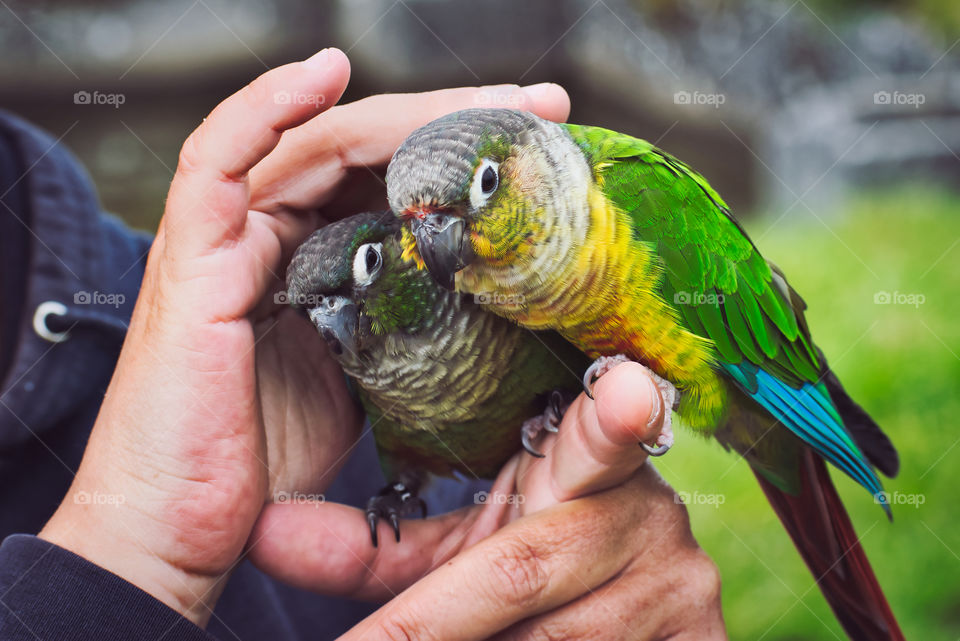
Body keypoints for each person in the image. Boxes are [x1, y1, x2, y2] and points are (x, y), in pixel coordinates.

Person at [0, 48, 725, 640]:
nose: (331, 329)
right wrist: (126, 567)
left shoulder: (252, 332)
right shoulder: (299, 374)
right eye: (318, 314)